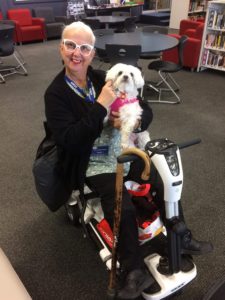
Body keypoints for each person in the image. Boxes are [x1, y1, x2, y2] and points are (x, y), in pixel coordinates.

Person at [44, 21, 213, 299]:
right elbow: (70, 140)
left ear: (92, 51)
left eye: (84, 47)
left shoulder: (102, 76)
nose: (77, 53)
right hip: (91, 160)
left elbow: (143, 109)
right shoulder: (56, 93)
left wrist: (134, 124)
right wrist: (101, 107)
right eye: (70, 45)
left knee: (160, 178)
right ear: (61, 47)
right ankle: (133, 268)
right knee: (120, 199)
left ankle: (181, 237)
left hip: (124, 147)